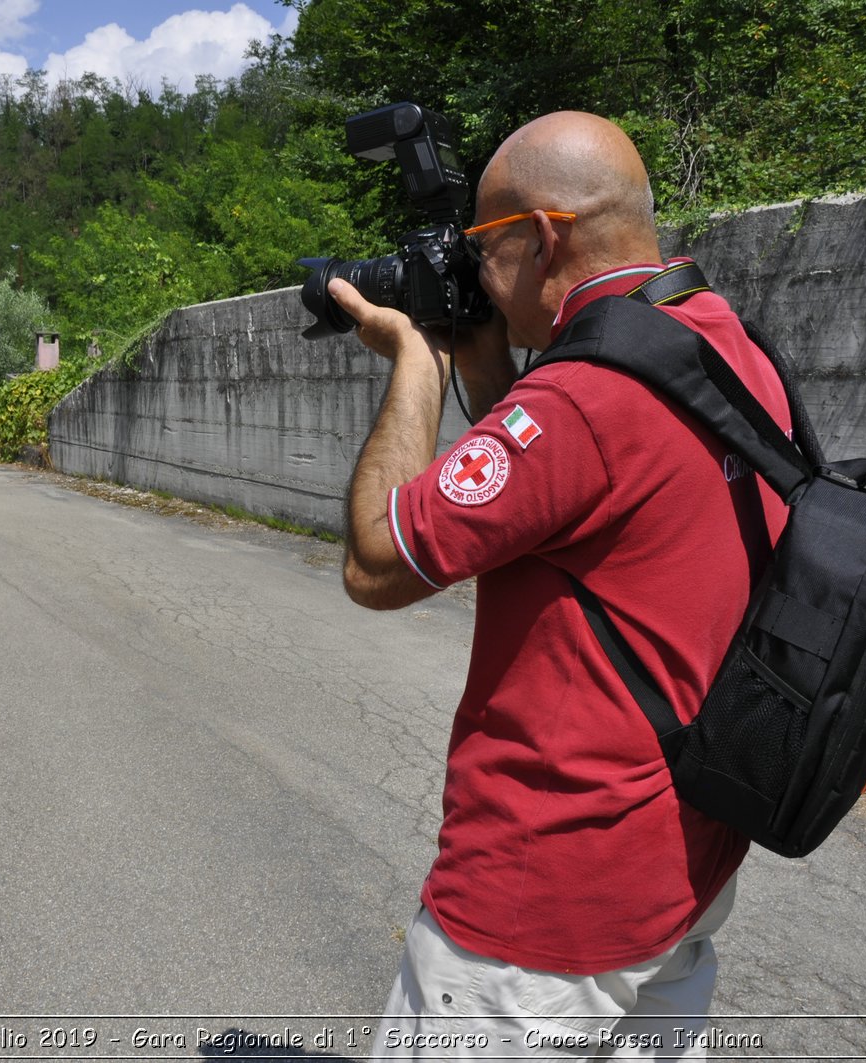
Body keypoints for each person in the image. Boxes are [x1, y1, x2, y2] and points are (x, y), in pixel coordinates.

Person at [334, 112, 791, 1057]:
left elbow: (376, 565)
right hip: (680, 872)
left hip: (541, 905)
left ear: (543, 237)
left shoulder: (580, 398)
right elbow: (570, 495)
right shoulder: (721, 346)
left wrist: (417, 364)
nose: (479, 277)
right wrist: (486, 360)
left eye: (483, 250)